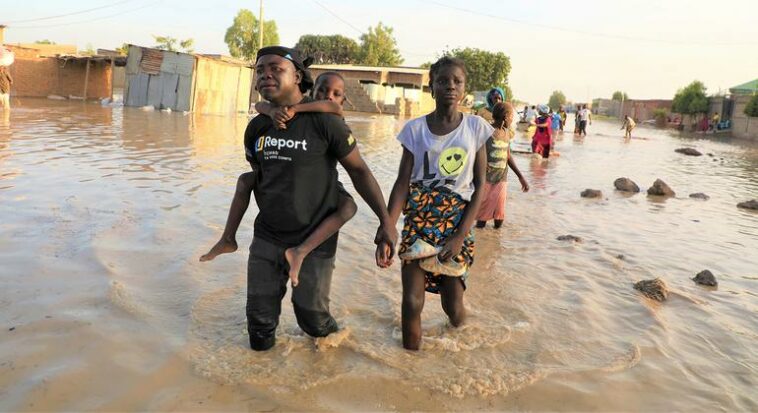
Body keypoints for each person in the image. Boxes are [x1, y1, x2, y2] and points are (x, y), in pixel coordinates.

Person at [242, 46, 396, 351]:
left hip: (315, 236)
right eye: (260, 70)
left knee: (312, 318)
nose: (265, 75)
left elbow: (360, 172)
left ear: (297, 76)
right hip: (267, 236)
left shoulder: (326, 123)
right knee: (258, 324)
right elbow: (260, 176)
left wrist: (387, 222)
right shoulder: (257, 126)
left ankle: (333, 366)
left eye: (275, 68)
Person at [200, 72, 357, 290]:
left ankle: (301, 250)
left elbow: (333, 108)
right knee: (245, 180)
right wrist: (272, 109)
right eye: (322, 90)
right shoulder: (284, 118)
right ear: (312, 91)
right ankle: (228, 238)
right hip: (290, 180)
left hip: (321, 183)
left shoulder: (332, 115)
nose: (328, 96)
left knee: (349, 206)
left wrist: (293, 109)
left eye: (335, 94)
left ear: (343, 99)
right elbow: (258, 105)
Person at [382, 56, 489, 351]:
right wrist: (388, 227)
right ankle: (408, 367)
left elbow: (480, 186)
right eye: (443, 81)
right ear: (432, 87)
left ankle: (462, 345)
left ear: (465, 88)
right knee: (411, 302)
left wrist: (459, 236)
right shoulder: (415, 130)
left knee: (452, 306)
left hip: (457, 222)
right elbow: (402, 183)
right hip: (419, 221)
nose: (450, 87)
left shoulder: (476, 128)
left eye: (457, 81)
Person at [475, 102, 529, 229]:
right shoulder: (487, 131)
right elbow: (475, 150)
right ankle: (481, 239)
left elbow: (508, 156)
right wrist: (481, 165)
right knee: (482, 216)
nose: (513, 119)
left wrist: (521, 177)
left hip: (501, 180)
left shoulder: (506, 133)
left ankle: (495, 239)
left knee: (499, 215)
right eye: (511, 116)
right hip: (486, 180)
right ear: (505, 117)